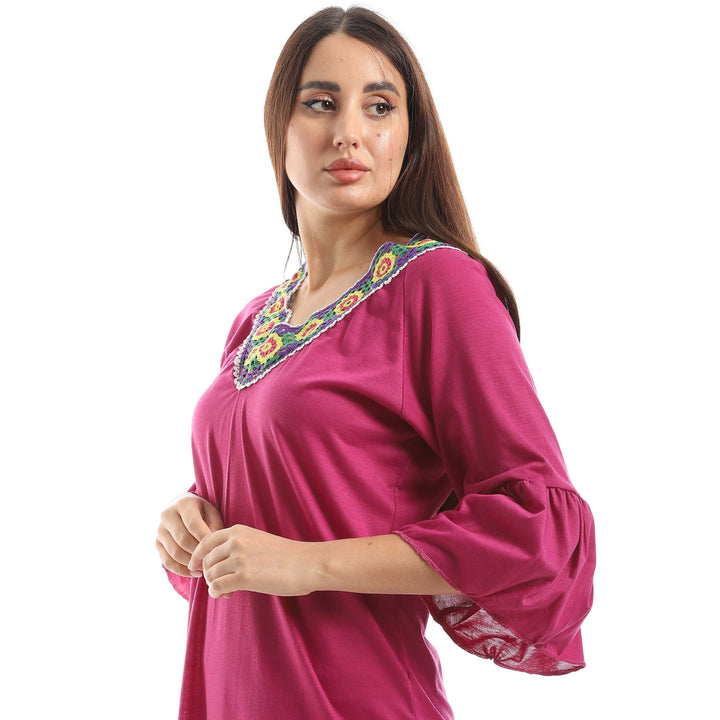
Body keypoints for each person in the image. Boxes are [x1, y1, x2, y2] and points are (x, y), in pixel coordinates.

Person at [156, 6, 596, 719]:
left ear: (409, 134)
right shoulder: (256, 318)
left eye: (380, 106)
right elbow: (289, 506)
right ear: (277, 125)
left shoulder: (438, 285)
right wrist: (191, 524)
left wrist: (309, 563)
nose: (349, 132)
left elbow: (538, 528)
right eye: (320, 103)